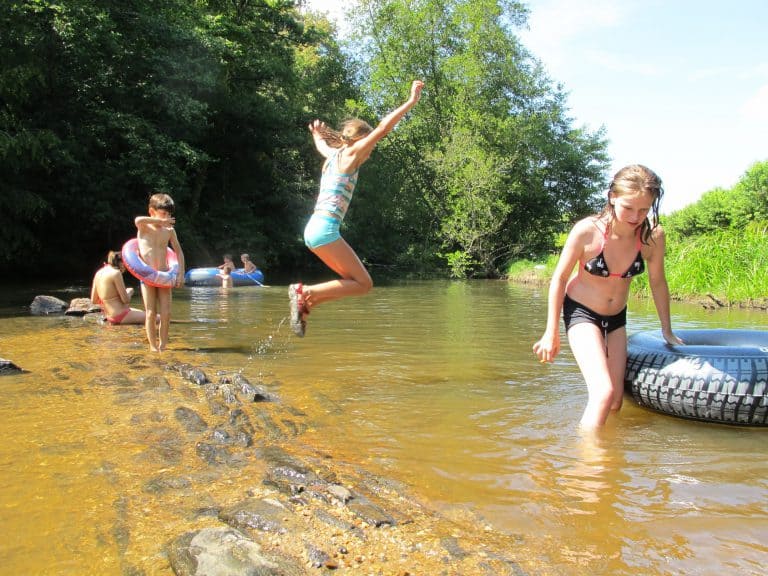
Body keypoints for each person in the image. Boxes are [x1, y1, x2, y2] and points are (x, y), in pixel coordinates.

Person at [532, 165, 683, 430]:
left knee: (614, 402)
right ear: (612, 196)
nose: (636, 216)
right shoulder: (587, 231)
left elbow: (658, 283)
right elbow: (559, 278)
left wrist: (667, 331)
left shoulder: (652, 237)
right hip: (581, 312)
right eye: (628, 207)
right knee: (602, 393)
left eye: (644, 209)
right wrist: (550, 332)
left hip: (616, 319)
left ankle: (608, 452)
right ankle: (590, 466)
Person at [288, 79, 425, 337]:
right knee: (364, 284)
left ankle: (307, 305)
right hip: (326, 230)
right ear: (361, 141)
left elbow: (322, 145)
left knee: (353, 282)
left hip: (313, 231)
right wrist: (411, 101)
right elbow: (384, 128)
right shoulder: (351, 154)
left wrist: (317, 134)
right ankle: (304, 293)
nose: (370, 151)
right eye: (368, 145)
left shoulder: (333, 156)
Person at [135, 193, 185, 352]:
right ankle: (152, 346)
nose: (167, 217)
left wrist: (181, 273)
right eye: (164, 213)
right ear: (152, 211)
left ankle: (163, 345)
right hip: (147, 276)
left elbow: (178, 251)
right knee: (150, 312)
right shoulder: (144, 226)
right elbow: (138, 219)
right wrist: (160, 221)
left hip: (164, 275)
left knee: (166, 313)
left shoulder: (169, 230)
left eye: (169, 214)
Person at [90, 251, 146, 325]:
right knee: (157, 318)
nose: (126, 268)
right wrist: (129, 292)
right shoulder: (116, 273)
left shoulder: (98, 273)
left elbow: (93, 300)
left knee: (142, 312)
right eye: (126, 265)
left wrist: (110, 299)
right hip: (120, 315)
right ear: (121, 263)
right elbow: (125, 300)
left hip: (109, 315)